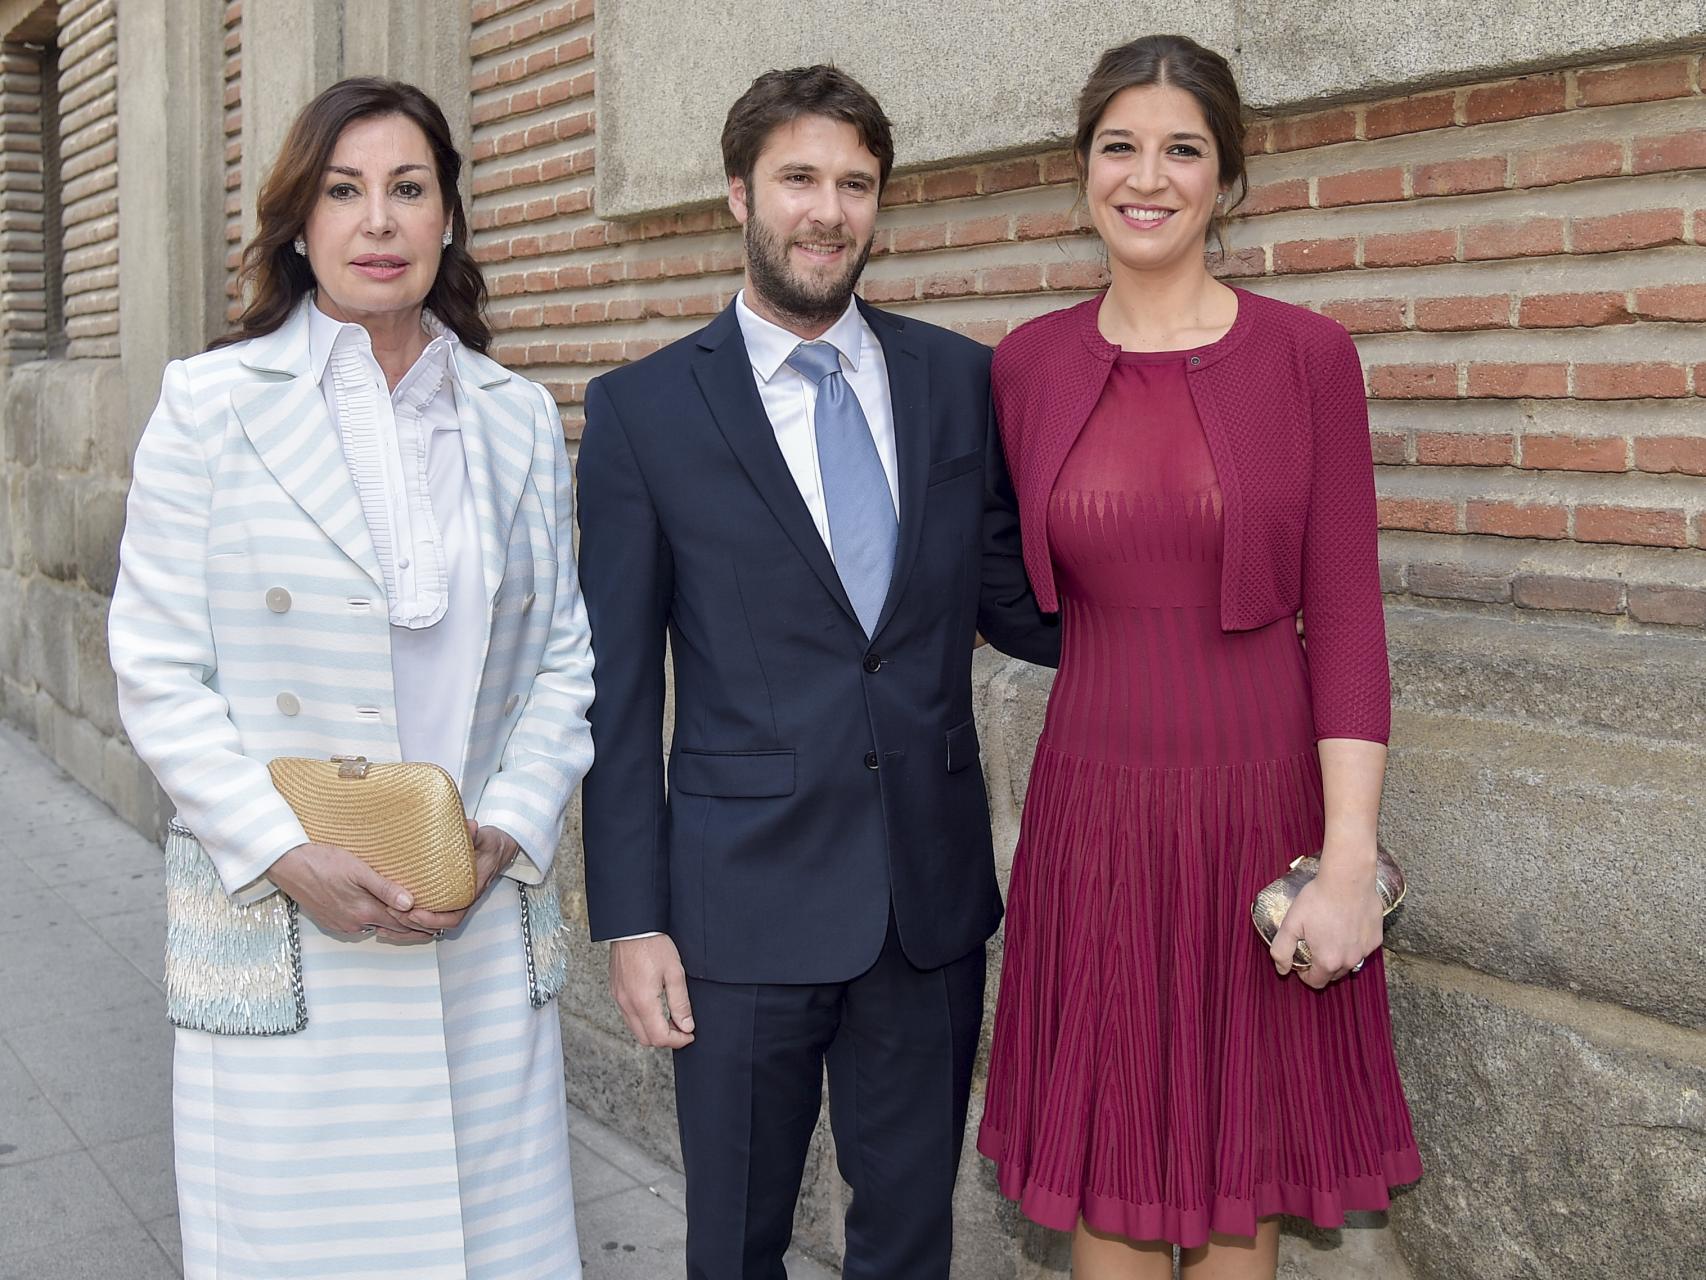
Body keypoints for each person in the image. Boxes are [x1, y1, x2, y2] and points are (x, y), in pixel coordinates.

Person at [576, 64, 1059, 1280]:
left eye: (854, 183)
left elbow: (1012, 600)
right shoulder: (641, 413)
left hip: (925, 901)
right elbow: (621, 693)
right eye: (799, 177)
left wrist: (1202, 616)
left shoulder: (958, 380)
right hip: (733, 914)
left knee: (907, 1240)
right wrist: (631, 918)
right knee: (733, 1242)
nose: (826, 210)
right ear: (738, 191)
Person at [108, 78, 595, 1279]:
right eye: (344, 190)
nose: (378, 220)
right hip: (290, 921)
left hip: (473, 918)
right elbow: (158, 665)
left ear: (445, 220)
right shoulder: (211, 406)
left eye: (408, 188)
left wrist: (507, 828)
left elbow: (564, 659)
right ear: (298, 222)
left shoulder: (517, 417)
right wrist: (284, 852)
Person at [975, 35, 1422, 1280]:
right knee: (1108, 1182)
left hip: (1255, 806)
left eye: (1182, 149)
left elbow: (1342, 615)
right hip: (1093, 812)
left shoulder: (1304, 358)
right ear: (1081, 174)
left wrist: (1344, 864)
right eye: (1118, 146)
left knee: (1241, 1184)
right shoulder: (1025, 365)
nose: (1146, 176)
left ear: (1226, 181)